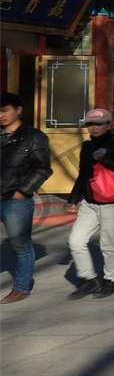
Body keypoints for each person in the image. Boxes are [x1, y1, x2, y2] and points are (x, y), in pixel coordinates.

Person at [67, 107, 114, 298]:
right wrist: (73, 199)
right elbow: (83, 174)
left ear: (108, 125)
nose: (94, 128)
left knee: (108, 244)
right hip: (89, 202)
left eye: (98, 124)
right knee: (76, 241)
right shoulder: (87, 146)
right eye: (90, 124)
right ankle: (88, 279)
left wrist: (104, 158)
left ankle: (110, 281)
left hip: (113, 202)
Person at [1, 90, 51, 304]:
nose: (0, 115)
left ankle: (21, 286)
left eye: (4, 110)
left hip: (15, 199)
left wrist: (23, 192)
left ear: (18, 110)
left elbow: (43, 168)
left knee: (20, 244)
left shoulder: (34, 137)